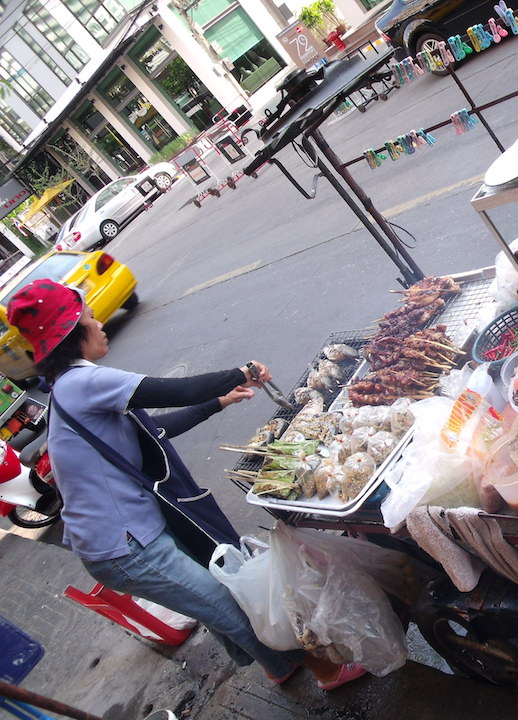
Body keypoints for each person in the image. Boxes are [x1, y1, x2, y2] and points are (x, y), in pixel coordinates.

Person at [6, 278, 366, 691]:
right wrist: (243, 372)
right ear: (73, 333)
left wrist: (218, 401)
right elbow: (175, 391)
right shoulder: (81, 383)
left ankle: (278, 667)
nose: (100, 324)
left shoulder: (68, 390)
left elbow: (154, 430)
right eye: (90, 318)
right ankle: (325, 672)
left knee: (214, 596)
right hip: (125, 547)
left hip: (133, 533)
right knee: (231, 605)